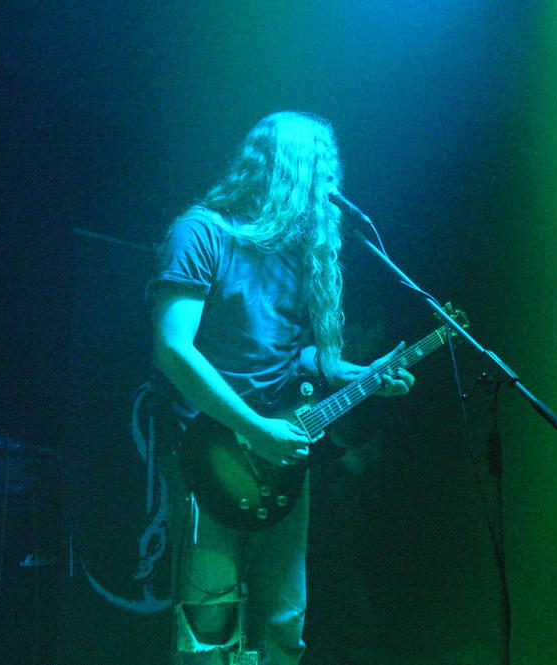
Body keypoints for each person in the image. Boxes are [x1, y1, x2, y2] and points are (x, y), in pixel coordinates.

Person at [150, 111, 414, 665]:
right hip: (210, 454)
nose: (329, 187)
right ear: (284, 170)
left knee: (283, 623)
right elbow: (173, 348)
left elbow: (297, 354)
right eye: (319, 171)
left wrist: (355, 374)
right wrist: (255, 429)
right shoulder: (202, 232)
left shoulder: (296, 257)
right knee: (210, 627)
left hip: (283, 454)